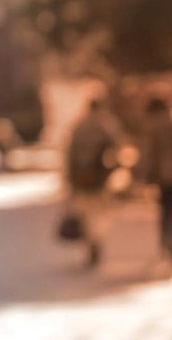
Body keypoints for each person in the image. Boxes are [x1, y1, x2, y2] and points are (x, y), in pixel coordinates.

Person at [65, 98, 120, 267]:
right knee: (99, 212)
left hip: (80, 179)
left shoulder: (79, 127)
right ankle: (96, 241)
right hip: (99, 178)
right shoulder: (106, 126)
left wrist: (70, 178)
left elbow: (70, 154)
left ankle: (91, 243)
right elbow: (116, 150)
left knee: (86, 213)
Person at [142, 96, 172, 265]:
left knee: (165, 212)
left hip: (162, 178)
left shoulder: (152, 129)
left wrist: (146, 177)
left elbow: (149, 156)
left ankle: (166, 244)